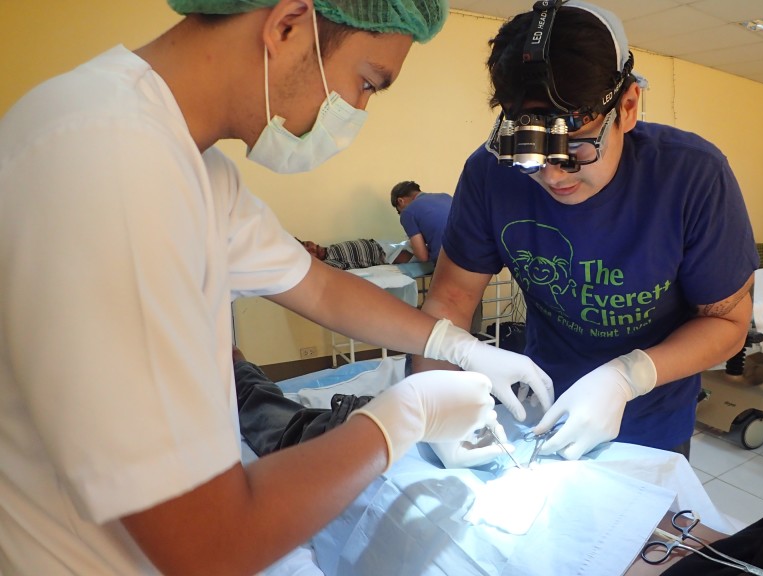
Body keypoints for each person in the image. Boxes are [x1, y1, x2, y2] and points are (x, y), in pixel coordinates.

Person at [0, 1, 555, 573]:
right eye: (366, 84)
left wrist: (457, 346)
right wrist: (404, 415)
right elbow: (210, 545)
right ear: (287, 25)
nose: (358, 110)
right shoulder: (107, 159)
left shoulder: (194, 166)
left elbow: (320, 289)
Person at [413, 0, 758, 468]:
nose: (554, 177)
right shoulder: (491, 173)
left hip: (651, 420)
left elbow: (728, 324)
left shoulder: (692, 176)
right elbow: (450, 301)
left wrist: (628, 377)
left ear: (628, 106)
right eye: (532, 153)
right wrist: (438, 400)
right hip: (537, 406)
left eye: (577, 146)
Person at [390, 179, 453, 262]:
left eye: (399, 211)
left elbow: (423, 257)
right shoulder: (446, 196)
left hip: (450, 262)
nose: (401, 214)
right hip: (474, 253)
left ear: (400, 201)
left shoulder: (407, 212)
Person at [297, 236, 414, 268]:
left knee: (413, 245)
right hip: (382, 256)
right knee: (416, 256)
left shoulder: (330, 249)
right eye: (309, 252)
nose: (313, 248)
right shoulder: (329, 263)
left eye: (308, 244)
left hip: (379, 244)